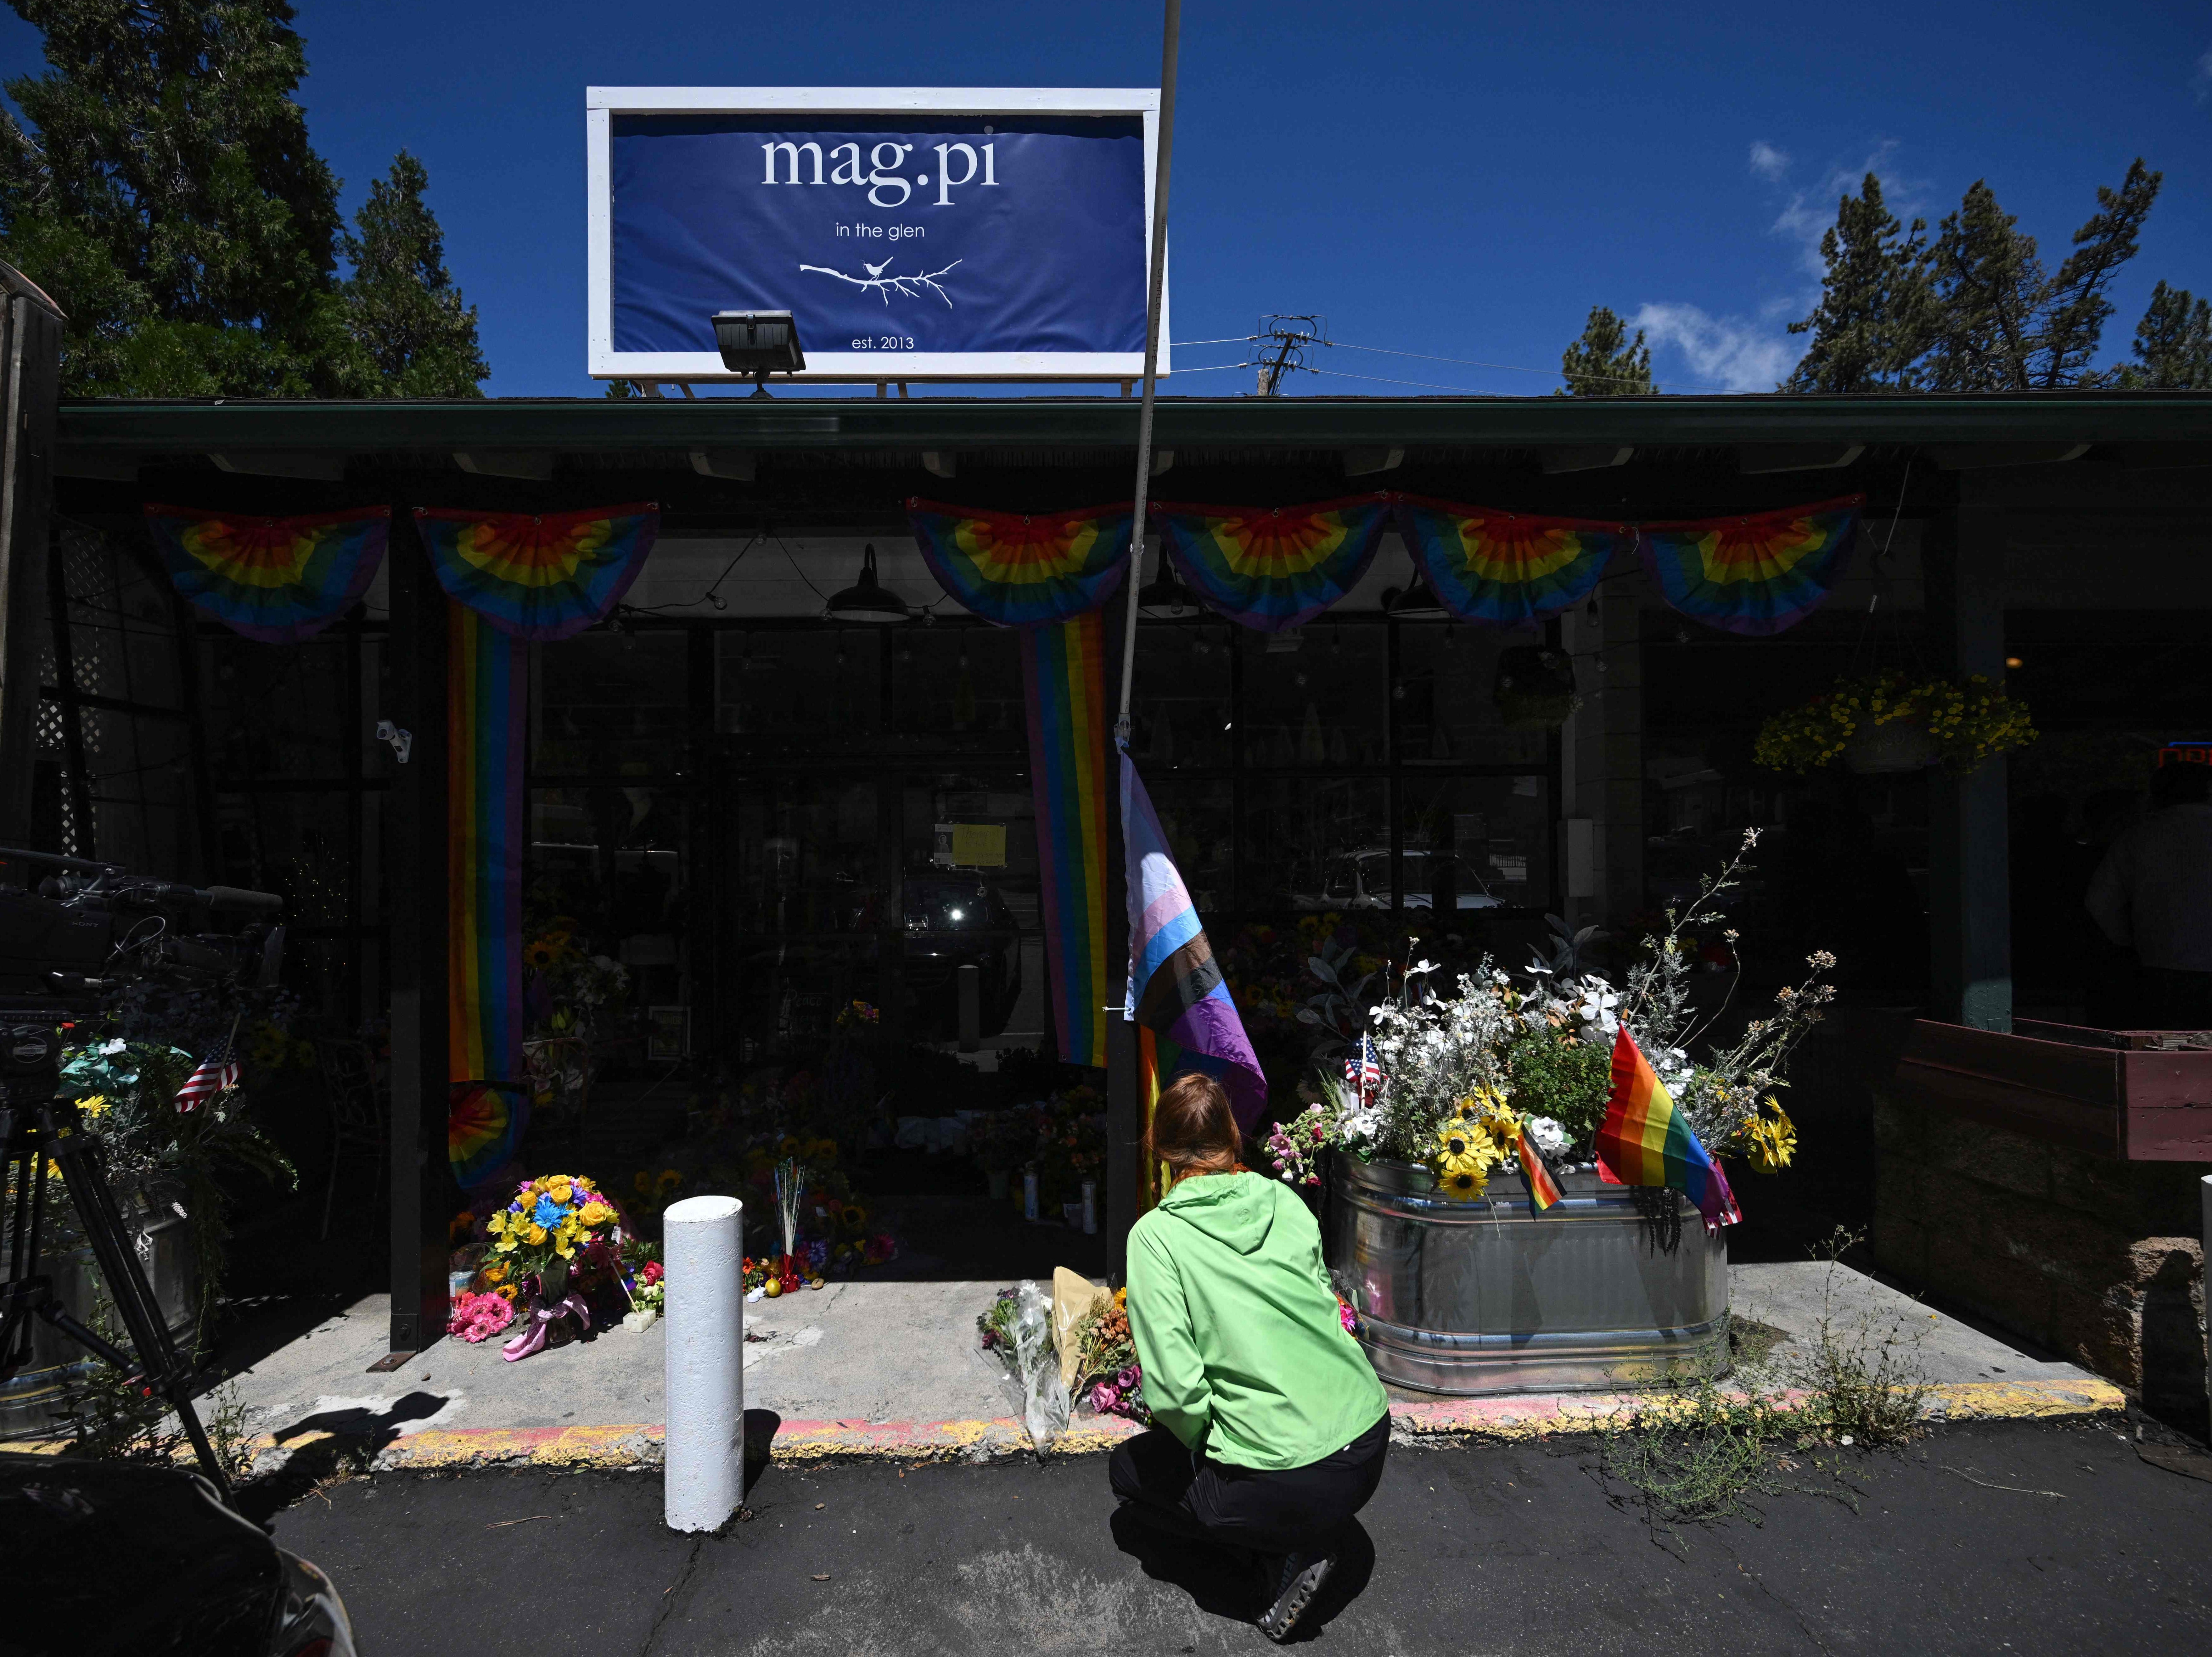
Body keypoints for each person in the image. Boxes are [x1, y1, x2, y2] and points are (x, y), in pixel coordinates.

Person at [1109, 1073, 1390, 1642]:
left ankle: (1275, 1558)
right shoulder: (1283, 1198)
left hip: (1290, 1475)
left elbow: (1177, 1392)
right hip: (1368, 1436)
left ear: (1157, 1148)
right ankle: (1301, 1525)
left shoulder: (1156, 1237)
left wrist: (1207, 1443)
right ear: (1233, 1136)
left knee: (1130, 1474)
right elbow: (1322, 1303)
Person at [2086, 760, 2212, 1027]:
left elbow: (2100, 901)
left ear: (2156, 795)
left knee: (2168, 1054)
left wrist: (2130, 940)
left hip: (2162, 964)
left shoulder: (2138, 836)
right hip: (2164, 962)